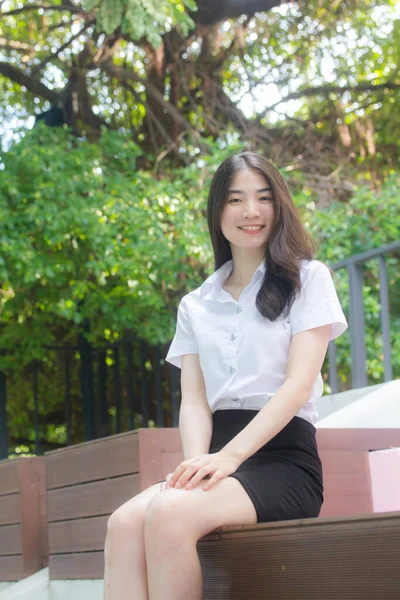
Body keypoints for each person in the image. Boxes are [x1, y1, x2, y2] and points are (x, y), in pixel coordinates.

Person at [103, 152, 348, 600]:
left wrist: (229, 459)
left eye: (263, 198)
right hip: (218, 463)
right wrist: (196, 468)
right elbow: (194, 402)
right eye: (236, 199)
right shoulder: (196, 304)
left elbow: (296, 387)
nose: (251, 211)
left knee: (170, 513)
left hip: (283, 462)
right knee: (123, 523)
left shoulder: (309, 280)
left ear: (280, 206)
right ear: (218, 212)